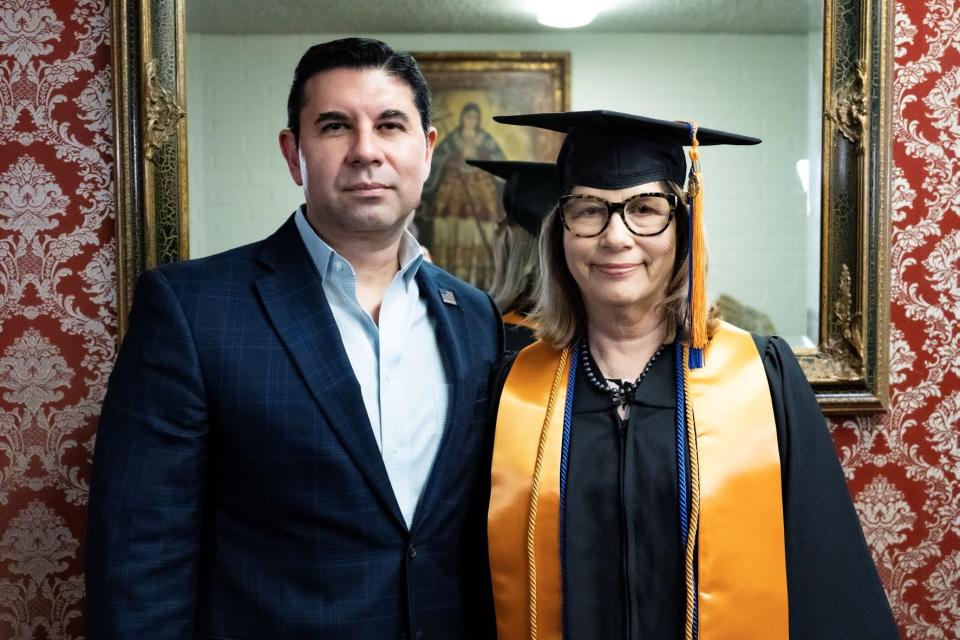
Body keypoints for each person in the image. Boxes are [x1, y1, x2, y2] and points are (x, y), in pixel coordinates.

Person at [86, 38, 502, 639]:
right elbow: (138, 560)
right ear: (293, 152)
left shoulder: (474, 316)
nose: (366, 152)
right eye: (335, 126)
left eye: (390, 125)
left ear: (428, 148)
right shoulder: (193, 310)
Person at [484, 110, 899, 639]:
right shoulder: (514, 389)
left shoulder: (761, 378)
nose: (616, 236)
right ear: (560, 233)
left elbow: (825, 576)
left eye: (645, 209)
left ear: (682, 226)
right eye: (588, 210)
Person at [467, 159, 559, 352]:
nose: (496, 230)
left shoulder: (496, 340)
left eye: (501, 225)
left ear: (510, 239)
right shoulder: (577, 336)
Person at [423, 103, 506, 286]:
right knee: (452, 225)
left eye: (474, 118)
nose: (471, 121)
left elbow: (499, 160)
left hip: (479, 190)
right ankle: (450, 275)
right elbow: (436, 159)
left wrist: (479, 155)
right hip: (454, 187)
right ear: (462, 119)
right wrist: (454, 157)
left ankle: (479, 279)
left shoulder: (484, 139)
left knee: (480, 228)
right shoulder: (454, 138)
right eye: (468, 117)